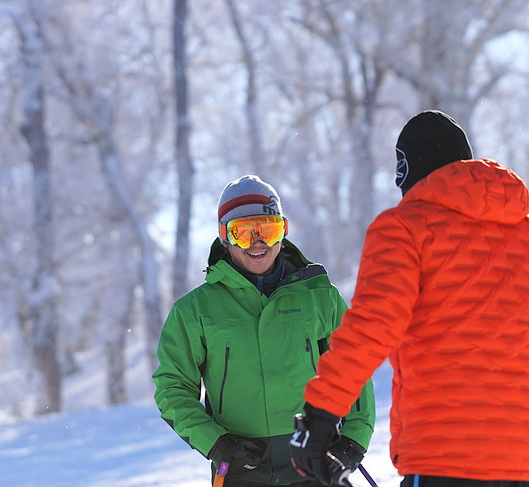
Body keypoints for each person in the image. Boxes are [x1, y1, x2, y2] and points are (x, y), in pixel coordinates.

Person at [289, 110, 529, 487]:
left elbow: (374, 327)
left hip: (441, 460)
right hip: (524, 465)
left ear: (407, 172)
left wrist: (321, 413)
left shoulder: (403, 229)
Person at [153, 175, 375, 487]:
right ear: (224, 237)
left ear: (283, 232)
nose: (258, 243)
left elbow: (355, 368)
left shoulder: (320, 298)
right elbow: (172, 388)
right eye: (243, 233)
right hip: (240, 468)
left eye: (267, 230)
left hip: (315, 460)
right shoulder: (195, 311)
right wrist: (216, 442)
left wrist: (354, 439)